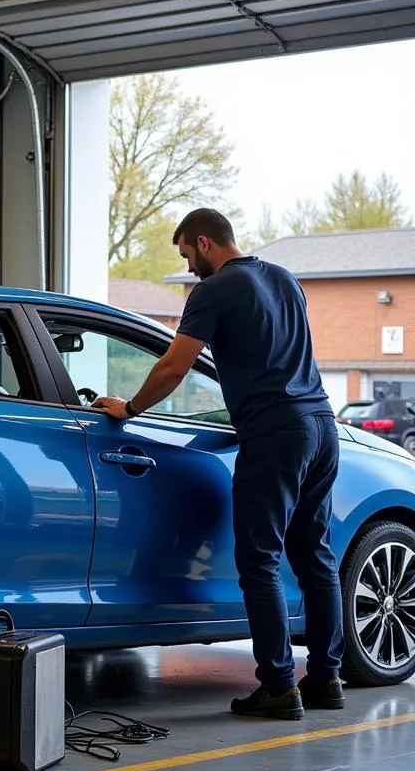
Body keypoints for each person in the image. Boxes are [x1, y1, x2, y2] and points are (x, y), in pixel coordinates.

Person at [93, 208, 345, 720]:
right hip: (321, 425)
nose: (188, 267)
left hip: (276, 433)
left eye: (187, 254)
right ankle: (326, 679)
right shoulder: (283, 278)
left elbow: (173, 366)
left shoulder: (213, 292)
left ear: (205, 243)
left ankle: (277, 686)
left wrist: (130, 408)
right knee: (316, 558)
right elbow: (277, 355)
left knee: (260, 560)